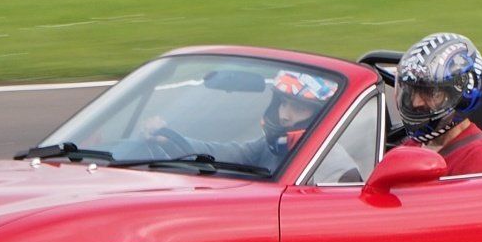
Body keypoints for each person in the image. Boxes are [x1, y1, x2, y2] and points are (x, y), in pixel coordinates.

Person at [143, 67, 340, 171]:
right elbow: (229, 153)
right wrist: (172, 140)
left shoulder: (333, 167)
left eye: (297, 108)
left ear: (320, 114)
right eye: (283, 104)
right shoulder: (270, 147)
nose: (284, 116)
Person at [395, 32, 482, 176]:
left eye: (431, 94)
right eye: (413, 91)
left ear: (460, 94)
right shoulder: (411, 146)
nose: (416, 102)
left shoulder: (480, 157)